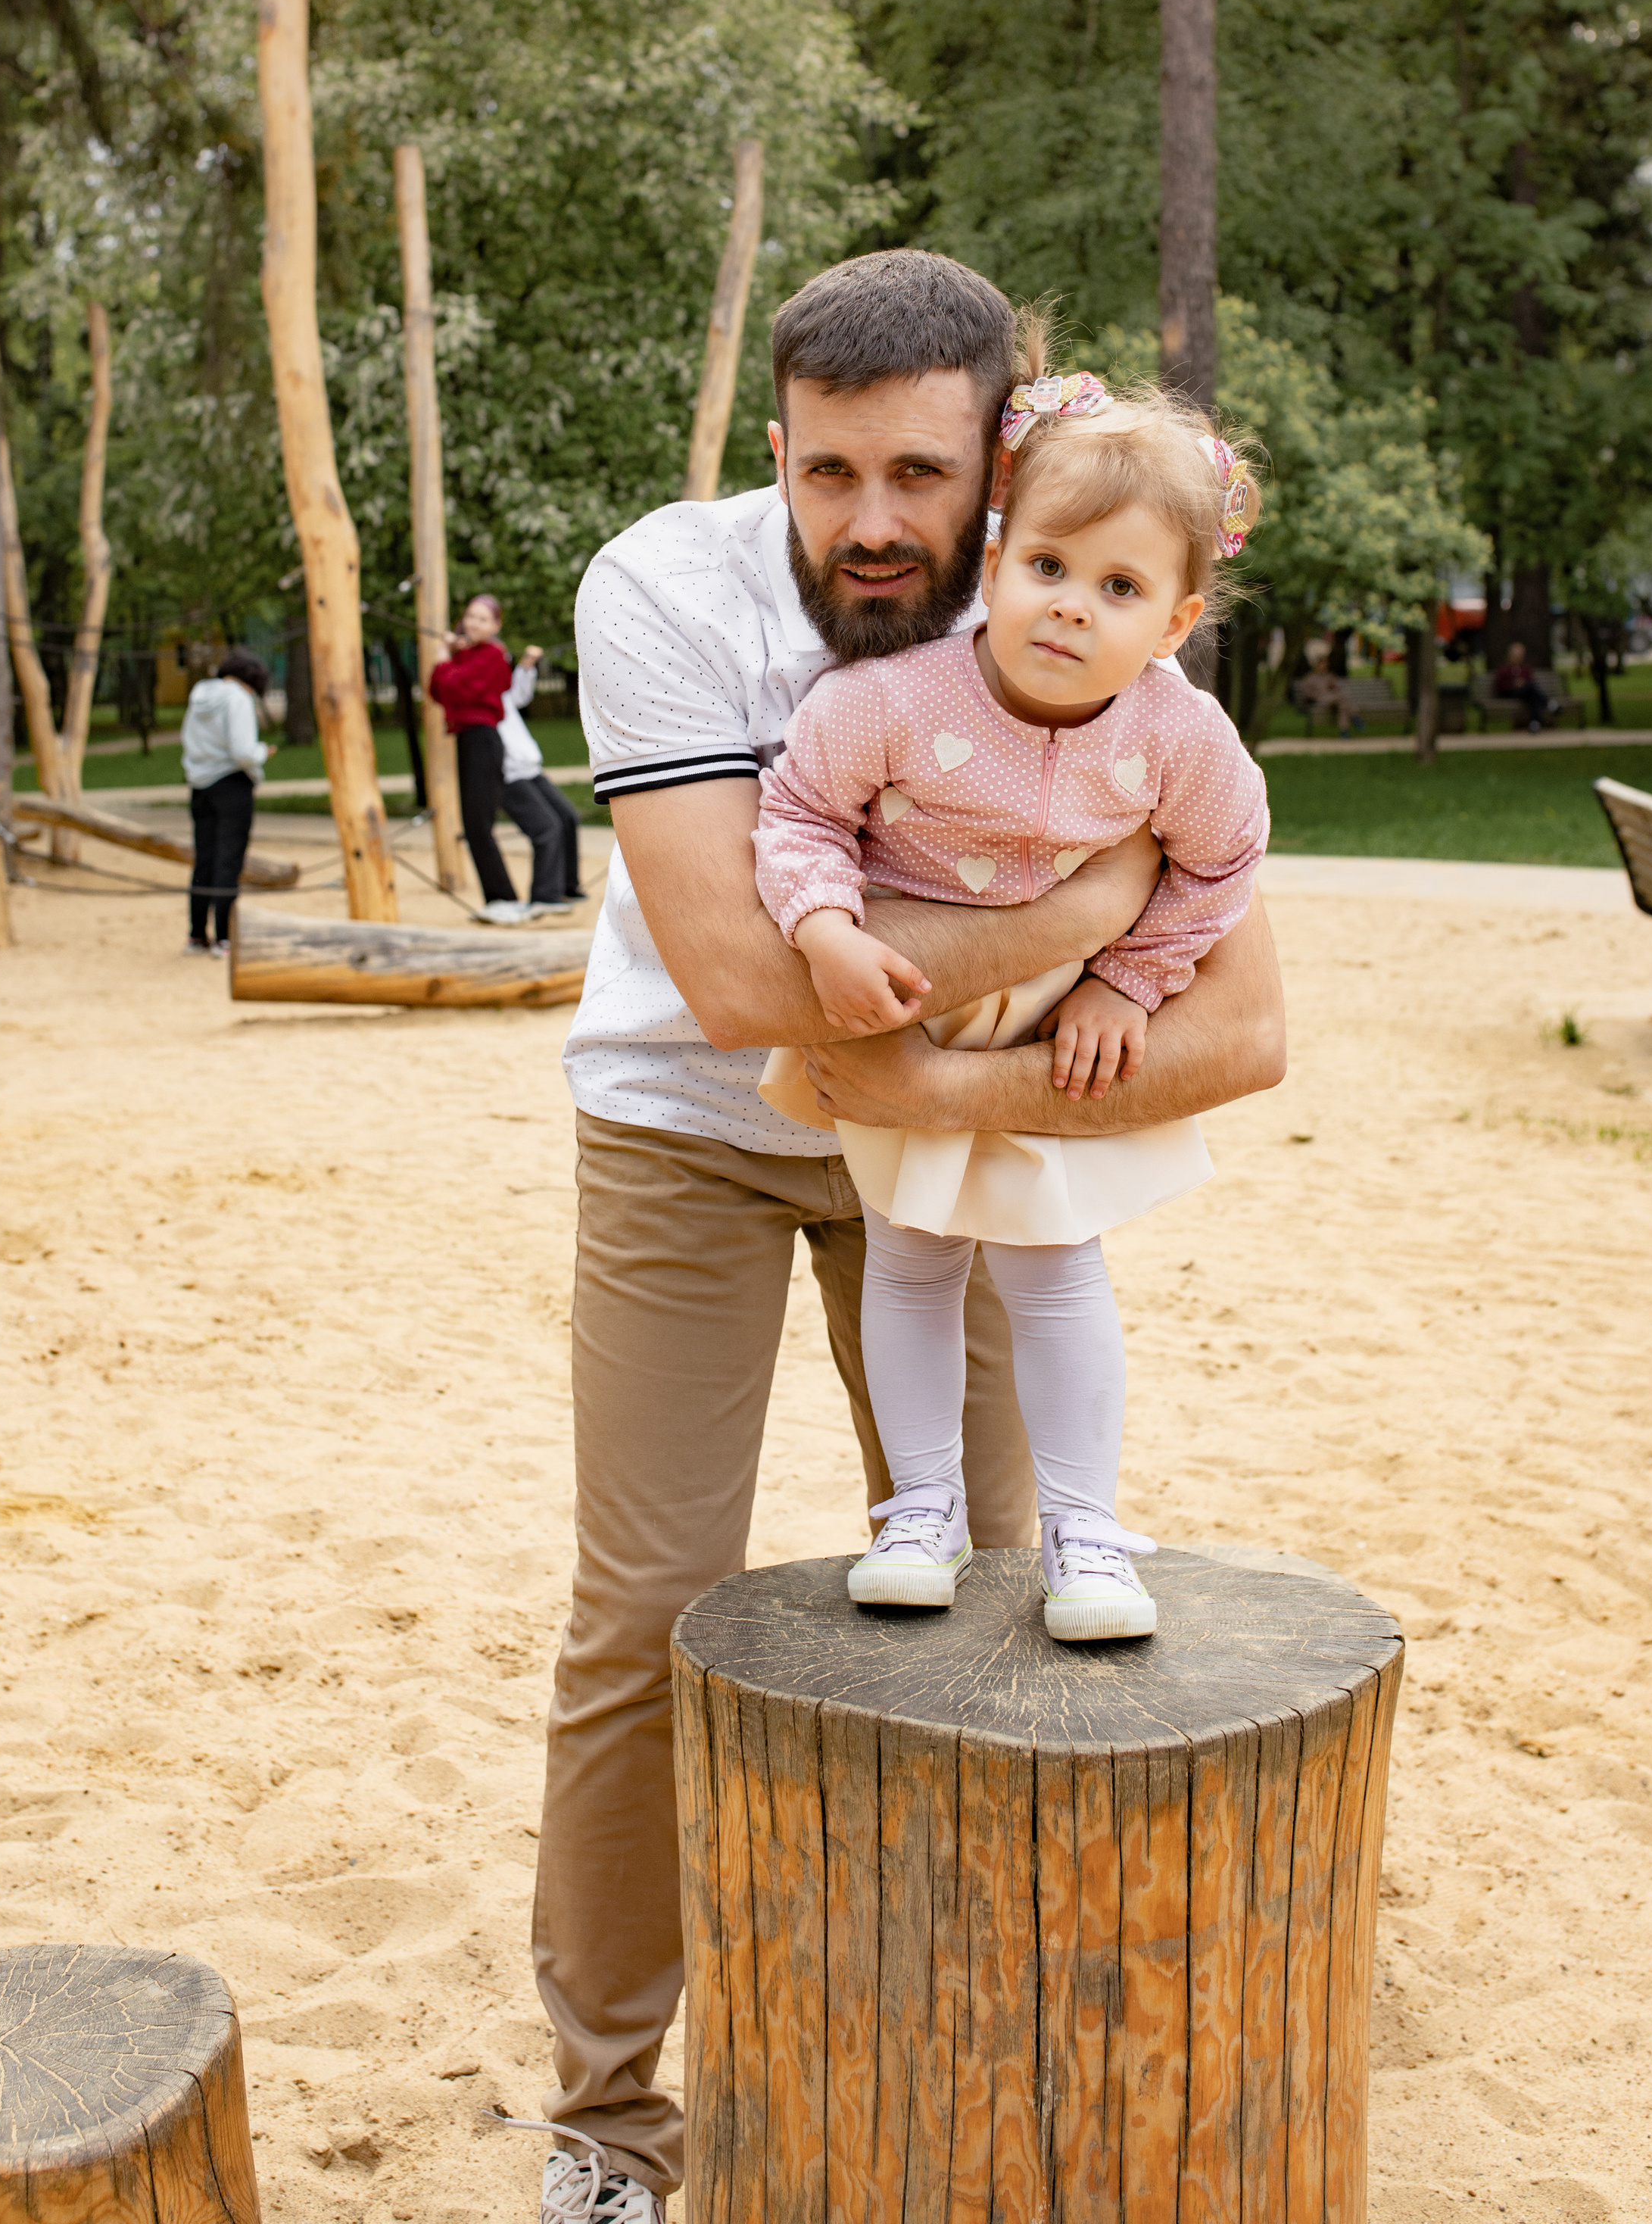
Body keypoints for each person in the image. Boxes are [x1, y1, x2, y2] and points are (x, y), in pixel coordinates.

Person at [522, 248, 1286, 2222]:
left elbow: (1242, 1027)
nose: (876, 522)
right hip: (688, 1138)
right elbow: (728, 977)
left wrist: (944, 1084)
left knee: (1007, 1587)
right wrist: (1061, 923)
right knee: (645, 1610)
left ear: (1000, 451)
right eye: (830, 471)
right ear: (776, 449)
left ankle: (982, 2044)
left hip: (958, 1145)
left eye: (922, 478)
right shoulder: (663, 591)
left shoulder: (1098, 593)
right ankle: (609, 2118)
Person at [753, 350, 1267, 1643]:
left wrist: (1129, 981)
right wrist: (820, 927)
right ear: (992, 561)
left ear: (1179, 618)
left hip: (1059, 1031)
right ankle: (917, 1512)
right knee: (914, 1259)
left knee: (1053, 1268)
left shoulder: (1179, 738)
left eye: (1120, 588)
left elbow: (1224, 864)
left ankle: (1084, 1531)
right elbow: (800, 814)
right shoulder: (885, 701)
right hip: (916, 1001)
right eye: (1047, 568)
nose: (1072, 608)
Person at [430, 592, 522, 913]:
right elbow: (437, 691)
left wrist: (445, 658)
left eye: (482, 619)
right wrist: (451, 657)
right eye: (470, 616)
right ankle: (499, 899)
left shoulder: (493, 655)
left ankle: (504, 900)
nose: (473, 623)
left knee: (478, 825)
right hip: (469, 739)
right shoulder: (469, 655)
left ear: (495, 625)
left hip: (483, 740)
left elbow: (456, 687)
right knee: (473, 825)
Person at [181, 649, 269, 954]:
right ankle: (224, 936)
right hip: (232, 784)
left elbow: (188, 740)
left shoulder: (199, 696)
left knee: (204, 858)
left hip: (200, 785)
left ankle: (196, 934)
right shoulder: (238, 699)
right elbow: (243, 750)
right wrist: (262, 753)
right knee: (228, 859)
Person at [501, 651, 584, 913]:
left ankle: (566, 886)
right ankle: (545, 895)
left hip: (529, 769)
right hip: (507, 774)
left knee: (568, 817)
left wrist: (526, 667)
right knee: (547, 828)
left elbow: (520, 695)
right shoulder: (478, 692)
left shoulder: (501, 694)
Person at [1493, 639, 1557, 731]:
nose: (1518, 656)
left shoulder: (1525, 669)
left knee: (1532, 696)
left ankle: (1535, 723)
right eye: (1516, 654)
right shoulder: (1505, 669)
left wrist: (1523, 684)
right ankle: (1549, 704)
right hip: (1510, 693)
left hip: (1525, 694)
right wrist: (1514, 684)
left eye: (1520, 654)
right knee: (1531, 691)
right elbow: (1500, 686)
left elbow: (1532, 682)